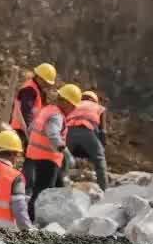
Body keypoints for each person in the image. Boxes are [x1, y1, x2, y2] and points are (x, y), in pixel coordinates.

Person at [25, 83, 81, 216]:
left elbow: (31, 128)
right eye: (73, 106)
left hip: (35, 155)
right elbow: (53, 134)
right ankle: (31, 218)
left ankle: (60, 215)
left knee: (58, 187)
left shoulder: (47, 109)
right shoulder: (57, 116)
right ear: (66, 102)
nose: (73, 109)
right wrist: (65, 152)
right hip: (48, 159)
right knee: (43, 191)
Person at [64, 89, 109, 188]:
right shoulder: (99, 107)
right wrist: (101, 148)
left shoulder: (74, 105)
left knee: (63, 160)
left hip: (68, 131)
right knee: (100, 159)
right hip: (86, 131)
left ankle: (58, 186)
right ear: (95, 100)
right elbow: (103, 131)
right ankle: (104, 188)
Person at [10, 62, 58, 144]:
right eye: (45, 82)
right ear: (39, 77)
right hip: (21, 130)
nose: (46, 85)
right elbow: (26, 111)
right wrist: (31, 131)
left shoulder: (38, 90)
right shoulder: (30, 90)